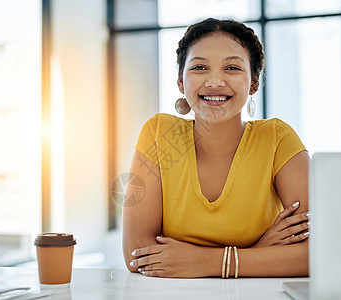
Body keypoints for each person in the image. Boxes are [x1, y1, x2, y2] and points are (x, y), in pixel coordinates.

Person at [122, 18, 309, 278]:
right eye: (200, 67)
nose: (215, 81)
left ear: (253, 82)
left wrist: (209, 262)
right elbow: (137, 254)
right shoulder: (158, 133)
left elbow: (317, 253)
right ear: (180, 82)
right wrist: (258, 253)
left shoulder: (277, 139)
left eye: (232, 67)